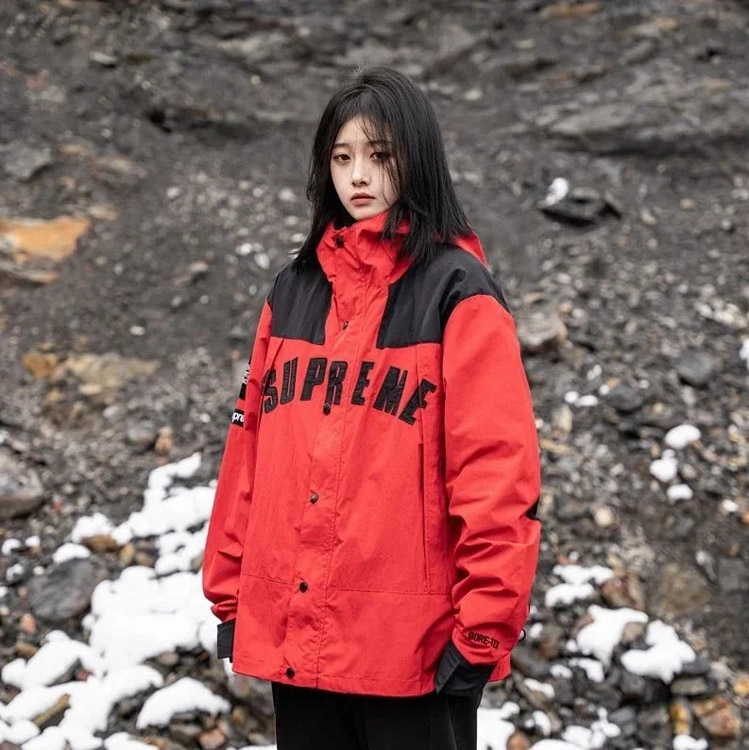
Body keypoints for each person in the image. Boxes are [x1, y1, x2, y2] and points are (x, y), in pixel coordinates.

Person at [202, 66, 542, 750]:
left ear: (417, 160)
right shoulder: (293, 290)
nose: (358, 175)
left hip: (413, 656)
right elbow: (250, 452)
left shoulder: (457, 291)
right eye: (341, 157)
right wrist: (233, 592)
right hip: (297, 639)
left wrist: (482, 629)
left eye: (379, 155)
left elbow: (495, 472)